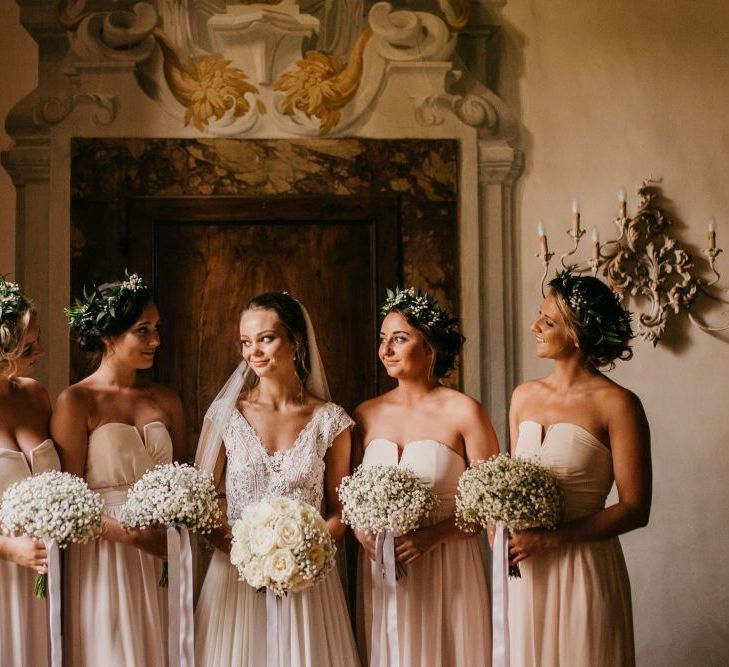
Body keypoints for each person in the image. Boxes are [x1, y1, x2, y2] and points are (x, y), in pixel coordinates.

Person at [194, 292, 360, 666]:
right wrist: (249, 557)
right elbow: (200, 504)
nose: (254, 351)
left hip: (306, 578)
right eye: (245, 342)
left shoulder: (330, 420)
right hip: (235, 577)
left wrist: (299, 552)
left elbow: (341, 511)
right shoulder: (224, 415)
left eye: (266, 338)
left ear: (295, 342)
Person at [507, 269, 651, 666]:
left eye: (548, 321)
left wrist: (552, 539)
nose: (534, 326)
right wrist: (496, 528)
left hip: (584, 566)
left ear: (576, 334)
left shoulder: (618, 404)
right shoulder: (522, 396)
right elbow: (507, 485)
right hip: (527, 569)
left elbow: (636, 508)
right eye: (539, 315)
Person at [354, 287, 499, 666]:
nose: (386, 350)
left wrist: (431, 537)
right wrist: (362, 535)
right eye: (382, 340)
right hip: (382, 568)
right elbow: (347, 499)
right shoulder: (365, 415)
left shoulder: (465, 412)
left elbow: (490, 507)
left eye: (399, 339)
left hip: (447, 564)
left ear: (430, 347)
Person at [52, 273, 185, 667]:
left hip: (162, 547)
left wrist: (169, 529)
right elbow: (67, 498)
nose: (155, 341)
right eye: (142, 331)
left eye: (156, 329)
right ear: (109, 336)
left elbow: (185, 476)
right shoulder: (76, 401)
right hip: (104, 553)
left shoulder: (166, 399)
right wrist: (130, 535)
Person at [0, 277, 60, 665]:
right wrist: (9, 548)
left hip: (45, 567)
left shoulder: (36, 394)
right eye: (28, 346)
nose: (40, 351)